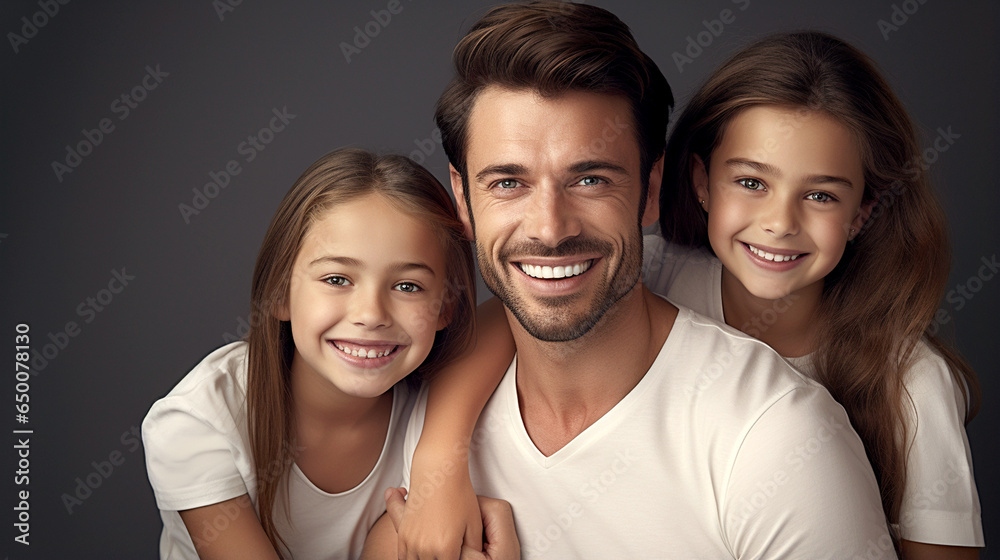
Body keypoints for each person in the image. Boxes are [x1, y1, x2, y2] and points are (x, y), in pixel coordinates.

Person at [365, 3, 893, 559]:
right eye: (508, 183)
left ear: (649, 188)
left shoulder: (778, 440)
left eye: (590, 179)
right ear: (463, 199)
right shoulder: (418, 402)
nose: (549, 229)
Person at [647, 31, 982, 557]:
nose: (780, 223)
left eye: (821, 195)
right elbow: (507, 327)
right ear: (702, 183)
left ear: (862, 212)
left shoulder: (911, 383)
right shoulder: (653, 278)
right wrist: (460, 464)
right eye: (752, 183)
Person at [141, 148, 504, 559]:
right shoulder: (200, 423)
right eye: (337, 279)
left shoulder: (433, 406)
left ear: (446, 307)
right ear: (280, 295)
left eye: (407, 286)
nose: (370, 315)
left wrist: (438, 467)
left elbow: (510, 314)